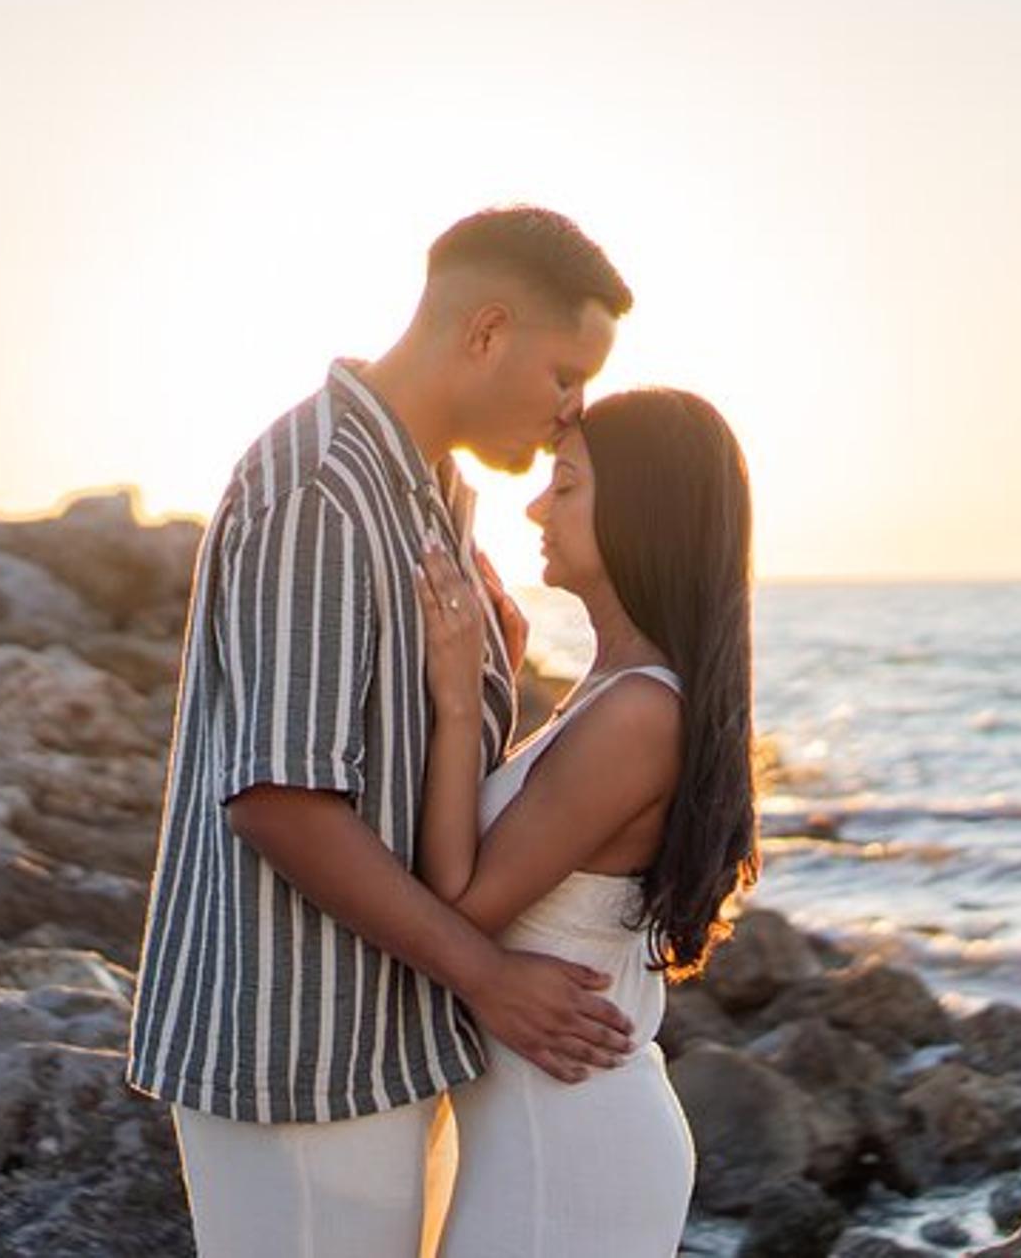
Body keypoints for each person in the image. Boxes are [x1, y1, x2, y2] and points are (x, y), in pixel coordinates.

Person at [124, 206, 639, 1257]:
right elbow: (279, 802)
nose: (568, 413)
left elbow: (408, 780)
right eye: (561, 375)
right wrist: (486, 977)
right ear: (485, 330)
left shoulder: (433, 488)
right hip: (296, 1055)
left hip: (393, 1036)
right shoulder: (321, 487)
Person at [410, 387, 759, 1257]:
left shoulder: (641, 712)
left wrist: (459, 703)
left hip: (567, 1146)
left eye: (565, 485)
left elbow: (455, 906)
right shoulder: (611, 693)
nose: (536, 505)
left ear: (643, 513)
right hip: (546, 1132)